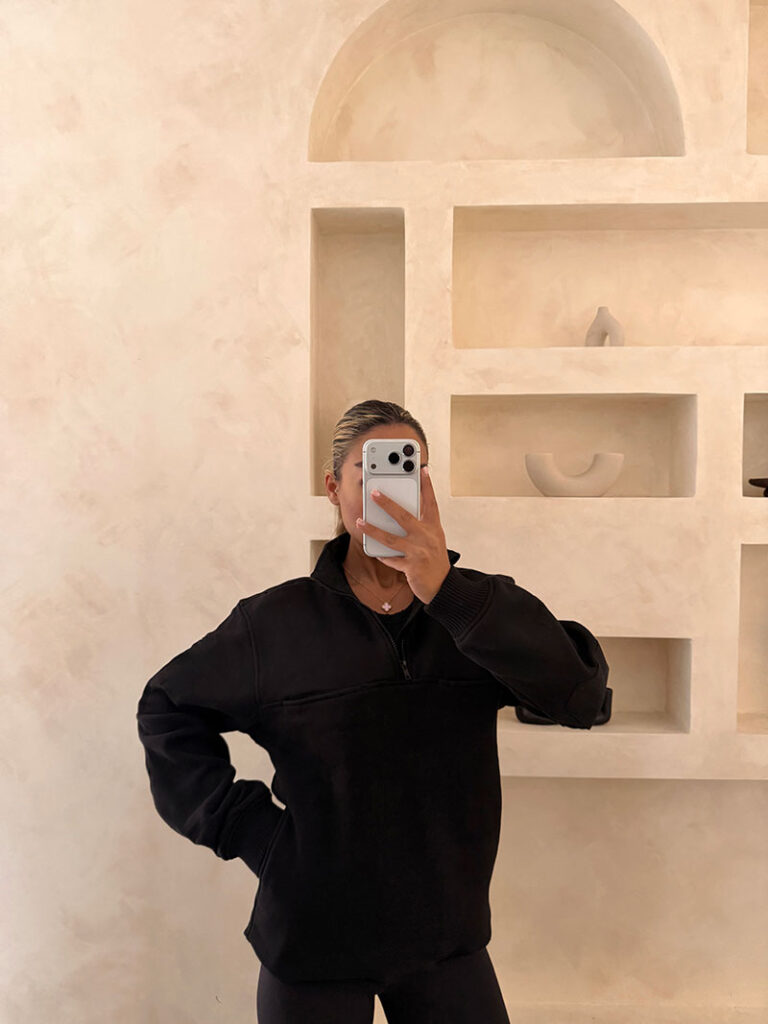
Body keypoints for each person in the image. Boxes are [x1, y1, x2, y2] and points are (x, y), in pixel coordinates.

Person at [137, 399, 610, 1023]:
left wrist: (448, 593)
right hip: (312, 937)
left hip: (446, 938)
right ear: (334, 488)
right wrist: (251, 833)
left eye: (409, 469)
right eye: (371, 472)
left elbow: (581, 698)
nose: (390, 490)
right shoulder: (275, 625)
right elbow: (167, 706)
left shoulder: (477, 611)